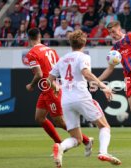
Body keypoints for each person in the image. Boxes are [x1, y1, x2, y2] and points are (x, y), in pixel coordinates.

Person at [48, 30, 121, 167]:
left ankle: (61, 147)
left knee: (76, 138)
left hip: (66, 101)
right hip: (81, 97)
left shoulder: (62, 59)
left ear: (70, 43)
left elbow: (48, 80)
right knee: (104, 126)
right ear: (84, 42)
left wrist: (56, 87)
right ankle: (103, 152)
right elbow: (86, 73)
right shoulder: (83, 57)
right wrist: (103, 86)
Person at [25, 28, 92, 155]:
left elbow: (39, 74)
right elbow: (59, 69)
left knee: (60, 122)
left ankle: (86, 141)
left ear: (28, 39)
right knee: (39, 118)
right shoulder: (51, 50)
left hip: (51, 89)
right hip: (49, 88)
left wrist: (31, 85)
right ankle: (59, 144)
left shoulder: (32, 54)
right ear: (40, 37)